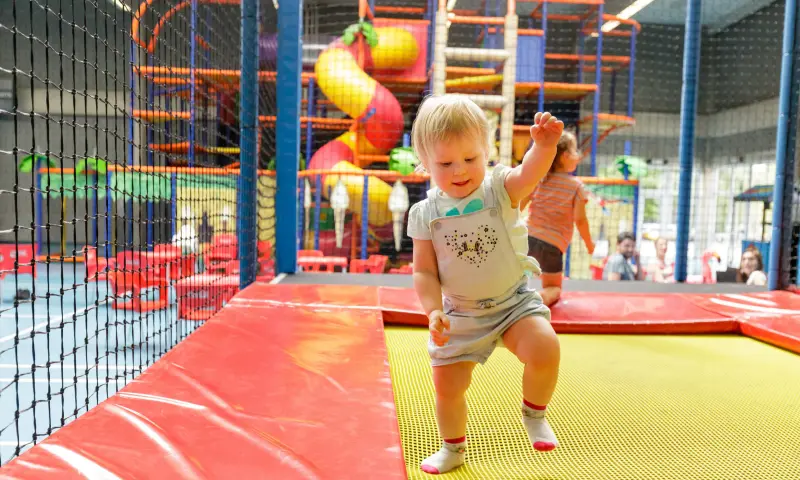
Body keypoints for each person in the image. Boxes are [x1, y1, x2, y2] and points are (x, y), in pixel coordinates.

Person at [407, 94, 563, 475]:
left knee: (545, 347)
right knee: (447, 386)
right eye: (445, 163)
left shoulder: (499, 188)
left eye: (470, 159)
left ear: (487, 151)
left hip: (513, 303)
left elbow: (529, 174)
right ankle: (452, 448)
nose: (460, 170)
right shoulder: (425, 214)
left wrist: (544, 147)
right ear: (424, 163)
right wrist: (433, 311)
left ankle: (534, 413)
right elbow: (424, 271)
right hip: (461, 312)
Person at [521, 130, 594, 306]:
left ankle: (512, 299)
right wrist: (589, 244)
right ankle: (539, 299)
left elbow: (519, 204)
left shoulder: (540, 180)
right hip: (552, 246)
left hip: (527, 239)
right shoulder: (576, 186)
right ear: (565, 156)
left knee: (515, 279)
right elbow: (580, 220)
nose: (578, 156)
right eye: (575, 151)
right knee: (554, 288)